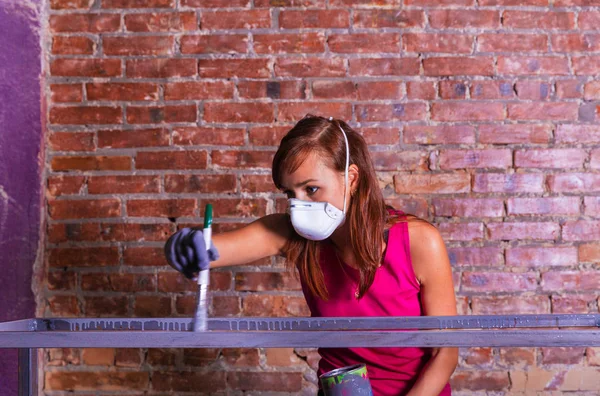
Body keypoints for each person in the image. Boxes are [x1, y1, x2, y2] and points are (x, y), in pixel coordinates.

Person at [165, 115, 458, 395]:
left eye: (312, 189)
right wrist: (184, 246)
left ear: (351, 179)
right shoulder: (293, 235)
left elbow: (446, 353)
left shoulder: (418, 242)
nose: (299, 206)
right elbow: (212, 249)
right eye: (291, 194)